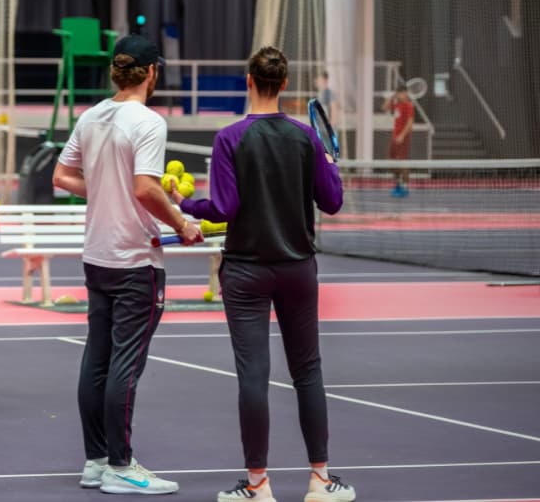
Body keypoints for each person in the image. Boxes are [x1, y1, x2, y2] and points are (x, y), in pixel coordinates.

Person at [170, 46, 355, 502]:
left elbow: (224, 208)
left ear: (248, 81)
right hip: (297, 269)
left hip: (246, 273)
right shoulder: (305, 138)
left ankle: (258, 486)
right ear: (284, 85)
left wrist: (183, 205)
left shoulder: (230, 138)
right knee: (307, 372)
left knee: (253, 375)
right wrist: (330, 166)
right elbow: (332, 202)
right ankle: (320, 481)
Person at [53, 34, 202, 495]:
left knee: (97, 360)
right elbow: (143, 188)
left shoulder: (92, 115)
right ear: (152, 72)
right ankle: (120, 465)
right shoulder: (149, 122)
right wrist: (181, 219)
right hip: (135, 259)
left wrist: (107, 188)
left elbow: (62, 176)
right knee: (125, 366)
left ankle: (96, 461)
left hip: (97, 256)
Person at [382, 84, 415, 197]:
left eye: (401, 93)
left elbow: (410, 123)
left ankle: (405, 187)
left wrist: (402, 135)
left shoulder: (409, 105)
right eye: (398, 93)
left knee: (403, 162)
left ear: (405, 93)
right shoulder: (397, 105)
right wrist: (391, 97)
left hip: (403, 138)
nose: (399, 95)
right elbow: (384, 108)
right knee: (392, 162)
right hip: (394, 138)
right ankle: (398, 185)